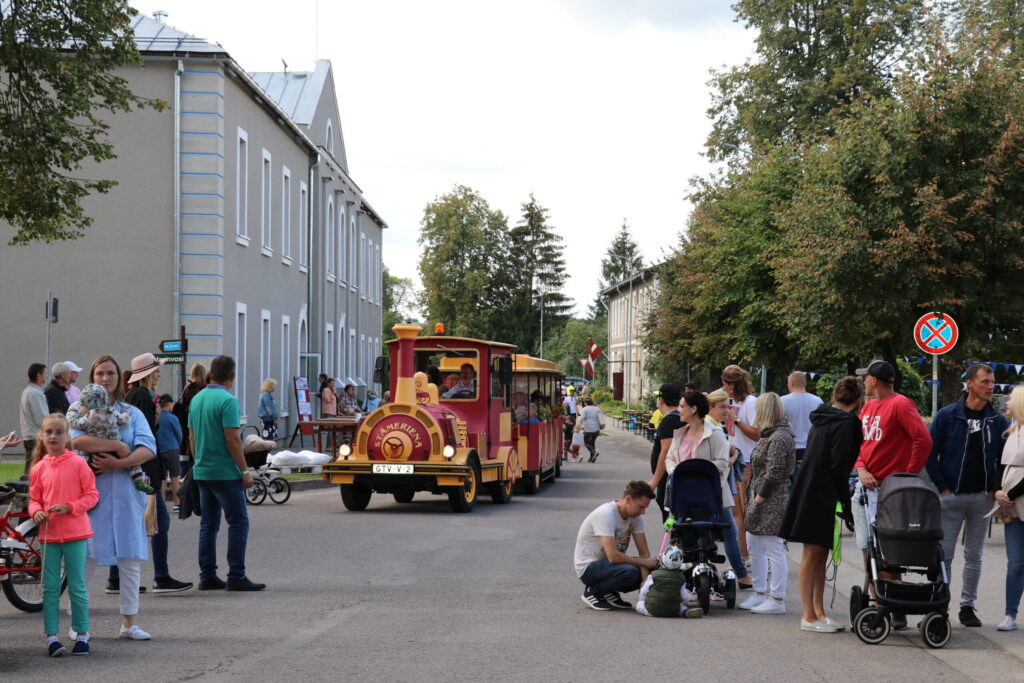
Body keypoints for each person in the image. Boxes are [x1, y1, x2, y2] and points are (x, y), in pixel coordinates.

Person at [68, 354, 156, 640]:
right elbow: (75, 439)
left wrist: (118, 462)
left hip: (126, 493)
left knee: (130, 558)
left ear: (120, 378)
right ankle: (79, 624)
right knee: (85, 559)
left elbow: (148, 448)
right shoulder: (77, 408)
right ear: (92, 379)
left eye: (111, 374)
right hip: (91, 494)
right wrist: (117, 444)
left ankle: (129, 624)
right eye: (100, 374)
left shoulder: (131, 412)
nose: (106, 379)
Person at [925, 363, 1008, 628]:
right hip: (951, 496)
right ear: (969, 383)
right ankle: (940, 605)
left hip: (982, 498)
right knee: (945, 553)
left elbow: (1003, 461)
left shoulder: (997, 420)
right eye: (985, 382)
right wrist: (942, 486)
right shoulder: (948, 415)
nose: (990, 387)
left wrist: (994, 488)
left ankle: (967, 606)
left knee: (975, 555)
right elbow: (930, 452)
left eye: (992, 382)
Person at [852, 359, 932, 630]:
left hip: (890, 490)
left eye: (866, 378)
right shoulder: (869, 406)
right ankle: (879, 601)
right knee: (868, 547)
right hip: (866, 488)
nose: (863, 382)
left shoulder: (900, 404)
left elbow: (923, 439)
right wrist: (861, 467)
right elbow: (860, 443)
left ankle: (893, 603)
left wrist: (906, 477)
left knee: (888, 549)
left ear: (874, 380)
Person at [780, 376, 864, 632]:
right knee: (812, 554)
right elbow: (840, 467)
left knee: (820, 553)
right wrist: (847, 505)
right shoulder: (848, 423)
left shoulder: (823, 416)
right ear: (858, 401)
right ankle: (808, 615)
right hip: (821, 490)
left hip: (809, 486)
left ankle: (819, 612)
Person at [189, 355, 265, 591]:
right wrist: (244, 470)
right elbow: (232, 439)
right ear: (231, 377)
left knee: (208, 525)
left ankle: (207, 575)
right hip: (225, 472)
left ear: (211, 374)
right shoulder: (228, 401)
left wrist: (198, 460)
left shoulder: (197, 399)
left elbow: (191, 436)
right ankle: (236, 574)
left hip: (202, 470)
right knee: (238, 522)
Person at [29, 413, 98, 657]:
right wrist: (36, 512)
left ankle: (82, 634)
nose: (54, 436)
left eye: (59, 432)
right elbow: (34, 499)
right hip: (49, 537)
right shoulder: (38, 468)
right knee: (50, 588)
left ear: (67, 436)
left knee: (77, 587)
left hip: (75, 534)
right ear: (41, 435)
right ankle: (51, 638)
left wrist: (69, 507)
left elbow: (91, 495)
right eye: (49, 432)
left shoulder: (78, 463)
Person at [738, 393, 795, 615]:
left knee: (773, 547)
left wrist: (760, 497)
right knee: (755, 543)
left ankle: (777, 598)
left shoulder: (779, 437)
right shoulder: (769, 434)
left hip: (772, 499)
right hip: (761, 497)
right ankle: (759, 592)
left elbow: (775, 471)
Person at [574, 480, 659, 611]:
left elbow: (643, 553)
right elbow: (613, 556)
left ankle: (608, 591)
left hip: (610, 566)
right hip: (589, 567)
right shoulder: (606, 514)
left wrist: (645, 582)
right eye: (641, 507)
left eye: (645, 508)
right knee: (630, 572)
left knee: (653, 571)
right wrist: (645, 563)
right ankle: (593, 591)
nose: (643, 512)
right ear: (629, 499)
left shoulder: (636, 517)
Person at [66, 383, 151, 493]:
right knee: (131, 461)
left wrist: (71, 411)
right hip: (117, 444)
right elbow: (124, 422)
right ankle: (138, 479)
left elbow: (74, 423)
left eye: (82, 405)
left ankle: (88, 493)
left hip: (97, 451)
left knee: (88, 470)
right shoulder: (112, 412)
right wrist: (125, 414)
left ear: (87, 405)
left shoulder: (88, 418)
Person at [705, 389, 751, 589]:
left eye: (728, 407)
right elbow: (722, 463)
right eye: (722, 407)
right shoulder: (713, 428)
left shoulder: (715, 425)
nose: (726, 411)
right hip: (717, 488)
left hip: (714, 487)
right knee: (730, 530)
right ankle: (741, 574)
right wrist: (734, 456)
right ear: (710, 408)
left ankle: (718, 569)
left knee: (720, 530)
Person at [721, 364, 759, 565]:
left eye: (725, 384)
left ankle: (748, 556)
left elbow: (757, 433)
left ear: (733, 385)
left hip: (747, 462)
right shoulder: (734, 402)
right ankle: (743, 554)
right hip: (735, 460)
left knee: (743, 511)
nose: (723, 388)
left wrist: (735, 421)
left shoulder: (751, 402)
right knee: (736, 510)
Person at [995, 384, 1024, 631]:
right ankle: (1010, 614)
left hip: (1014, 499)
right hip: (1011, 506)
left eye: (1010, 400)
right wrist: (999, 493)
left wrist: (1010, 494)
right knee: (1015, 562)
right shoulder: (1012, 431)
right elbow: (1001, 467)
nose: (1006, 404)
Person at [647, 383, 683, 522]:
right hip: (672, 474)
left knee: (668, 509)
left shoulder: (669, 421)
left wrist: (655, 480)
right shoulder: (678, 418)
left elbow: (666, 450)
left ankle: (674, 539)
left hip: (667, 477)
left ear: (661, 400)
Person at [635, 546, 704, 618]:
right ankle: (684, 611)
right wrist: (684, 603)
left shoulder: (653, 575)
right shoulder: (681, 578)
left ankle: (646, 606)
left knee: (639, 604)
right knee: (681, 607)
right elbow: (684, 597)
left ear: (662, 560)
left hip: (652, 609)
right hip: (673, 611)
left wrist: (643, 600)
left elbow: (644, 591)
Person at [780, 371, 823, 485]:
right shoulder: (817, 401)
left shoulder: (781, 401)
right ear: (805, 383)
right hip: (811, 449)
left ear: (791, 383)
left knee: (789, 487)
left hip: (789, 448)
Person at [174, 362, 207, 480]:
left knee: (187, 458)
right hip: (203, 424)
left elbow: (182, 406)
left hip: (187, 424)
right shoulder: (206, 388)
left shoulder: (187, 389)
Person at [20, 362, 49, 473]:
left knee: (32, 468)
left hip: (31, 435)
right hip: (35, 436)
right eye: (45, 373)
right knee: (34, 470)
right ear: (39, 375)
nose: (47, 376)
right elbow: (41, 419)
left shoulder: (29, 391)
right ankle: (29, 490)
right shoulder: (34, 393)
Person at [156, 394, 183, 509]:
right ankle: (177, 503)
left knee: (162, 478)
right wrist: (177, 444)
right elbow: (179, 434)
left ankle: (162, 504)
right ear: (168, 404)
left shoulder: (156, 417)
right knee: (175, 476)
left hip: (159, 450)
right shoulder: (173, 418)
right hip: (172, 449)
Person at [579, 397, 605, 462]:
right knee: (592, 443)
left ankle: (594, 452)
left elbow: (582, 418)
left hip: (588, 429)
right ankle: (592, 458)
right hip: (596, 429)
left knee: (586, 443)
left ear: (585, 403)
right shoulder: (597, 409)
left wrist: (578, 425)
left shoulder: (585, 409)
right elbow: (601, 417)